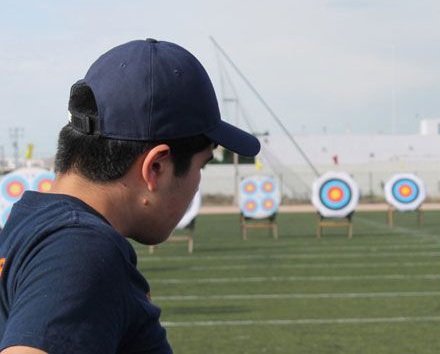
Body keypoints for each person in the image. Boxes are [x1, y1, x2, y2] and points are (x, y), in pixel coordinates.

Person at [0, 39, 260, 353]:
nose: (197, 182)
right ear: (157, 168)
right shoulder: (82, 251)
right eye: (201, 165)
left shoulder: (31, 221)